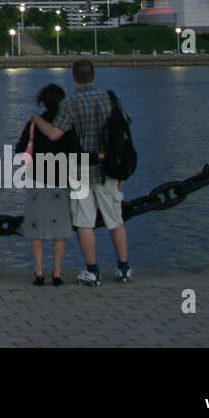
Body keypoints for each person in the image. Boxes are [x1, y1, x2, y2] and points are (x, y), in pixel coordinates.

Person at [32, 58, 132, 286]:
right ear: (94, 76)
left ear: (73, 78)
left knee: (84, 222)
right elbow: (124, 131)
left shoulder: (69, 103)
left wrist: (37, 119)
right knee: (115, 219)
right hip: (110, 167)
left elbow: (55, 134)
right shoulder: (111, 99)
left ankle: (92, 271)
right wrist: (122, 172)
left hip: (80, 169)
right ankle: (124, 268)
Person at [15, 83, 71, 286]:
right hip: (60, 178)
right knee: (60, 229)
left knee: (36, 226)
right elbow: (75, 150)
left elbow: (20, 149)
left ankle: (38, 271)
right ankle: (57, 272)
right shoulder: (67, 125)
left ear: (43, 102)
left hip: (36, 178)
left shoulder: (33, 124)